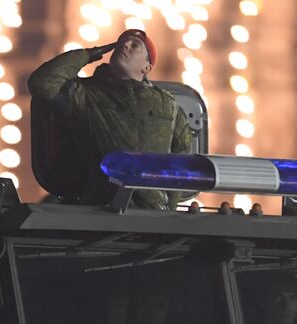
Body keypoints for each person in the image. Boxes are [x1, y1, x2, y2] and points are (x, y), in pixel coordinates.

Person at [27, 29, 192, 209]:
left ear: (146, 68)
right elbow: (42, 82)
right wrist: (90, 54)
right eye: (121, 43)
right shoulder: (86, 94)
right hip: (102, 210)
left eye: (135, 45)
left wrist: (169, 209)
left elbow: (181, 157)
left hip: (151, 213)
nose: (125, 46)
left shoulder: (167, 105)